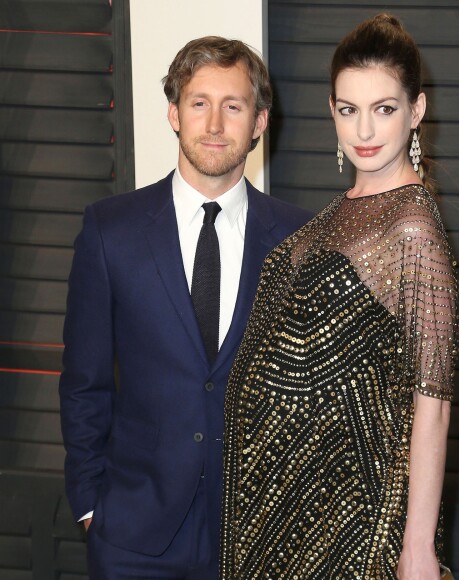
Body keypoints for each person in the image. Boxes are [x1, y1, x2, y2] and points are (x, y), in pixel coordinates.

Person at [59, 36, 311, 579]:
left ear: (260, 121)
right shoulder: (111, 230)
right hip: (131, 538)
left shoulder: (298, 239)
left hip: (255, 542)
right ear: (174, 113)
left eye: (234, 106)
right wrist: (89, 508)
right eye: (200, 103)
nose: (215, 124)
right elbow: (84, 384)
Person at [220, 13, 458, 579]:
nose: (365, 132)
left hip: (352, 521)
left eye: (384, 109)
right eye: (349, 110)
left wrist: (418, 549)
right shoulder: (333, 215)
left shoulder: (412, 226)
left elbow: (435, 400)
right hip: (280, 507)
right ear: (332, 111)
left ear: (416, 111)